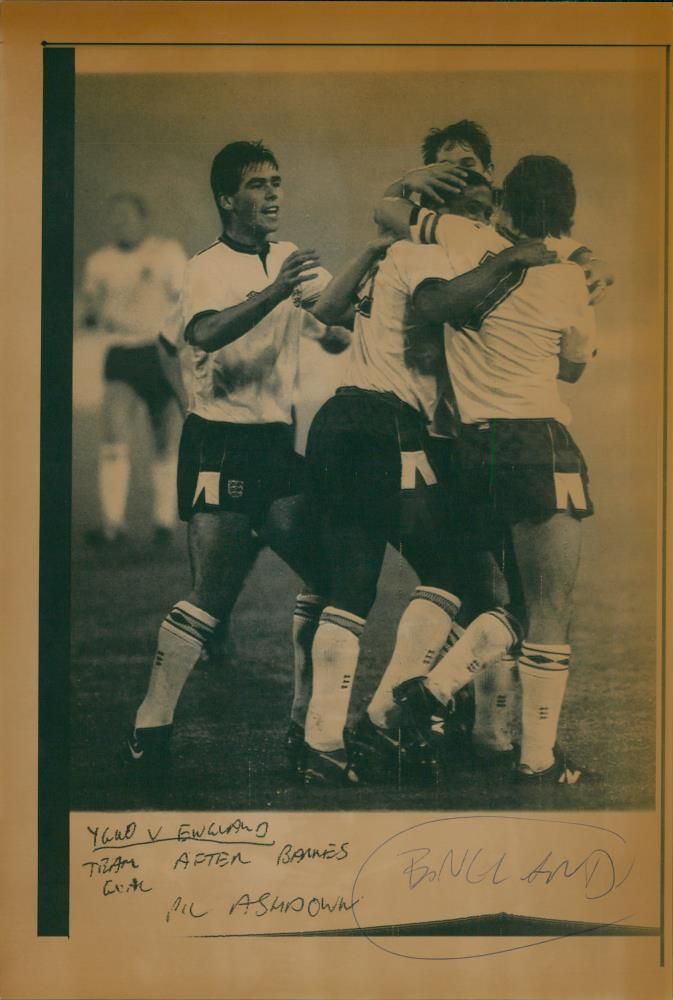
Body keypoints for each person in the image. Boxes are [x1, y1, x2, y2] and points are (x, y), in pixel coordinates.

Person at [298, 166, 556, 787]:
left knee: (353, 585)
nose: (476, 220)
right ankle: (387, 717)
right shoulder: (425, 255)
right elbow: (443, 304)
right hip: (388, 426)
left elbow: (326, 314)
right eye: (468, 210)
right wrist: (518, 261)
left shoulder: (393, 255)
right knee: (450, 575)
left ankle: (322, 743)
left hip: (336, 423)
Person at [125, 140, 350, 777]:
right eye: (258, 185)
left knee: (330, 575)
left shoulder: (290, 259)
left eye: (277, 182)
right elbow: (204, 333)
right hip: (219, 444)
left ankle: (305, 725)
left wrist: (337, 317)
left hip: (277, 444)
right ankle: (151, 725)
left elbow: (335, 328)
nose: (273, 194)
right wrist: (279, 293)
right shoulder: (208, 267)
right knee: (212, 600)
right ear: (228, 198)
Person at [385, 154, 598, 786]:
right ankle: (536, 758)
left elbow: (391, 213)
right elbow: (575, 365)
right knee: (550, 609)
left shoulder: (459, 241)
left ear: (501, 199)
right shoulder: (565, 277)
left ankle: (435, 691)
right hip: (539, 442)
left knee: (510, 599)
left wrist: (410, 184)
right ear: (565, 214)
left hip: (474, 447)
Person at [77, 193, 187, 546]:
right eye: (116, 217)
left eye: (127, 216)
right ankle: (113, 526)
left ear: (143, 220)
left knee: (165, 440)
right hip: (121, 354)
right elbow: (90, 310)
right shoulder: (100, 263)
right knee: (112, 437)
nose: (121, 223)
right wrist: (90, 315)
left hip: (159, 352)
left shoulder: (167, 254)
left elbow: (186, 300)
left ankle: (163, 524)